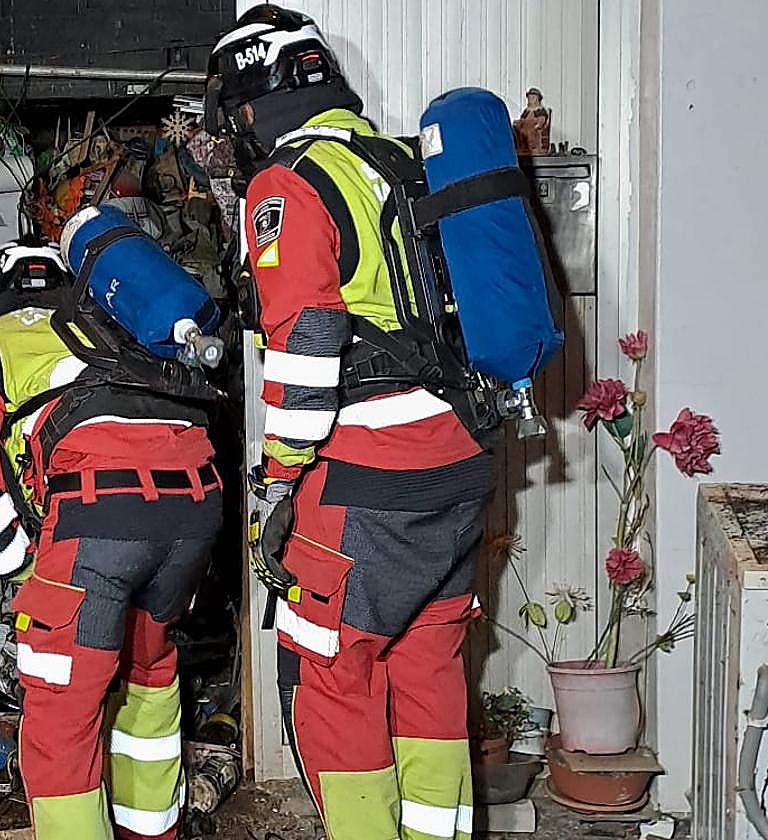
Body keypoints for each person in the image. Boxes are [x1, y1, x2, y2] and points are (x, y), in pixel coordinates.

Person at [207, 6, 494, 839]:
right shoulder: (405, 162)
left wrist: (279, 481)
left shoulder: (289, 182)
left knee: (330, 679)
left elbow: (307, 340)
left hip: (365, 483)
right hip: (460, 461)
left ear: (254, 102)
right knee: (429, 670)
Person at [0, 240, 223, 840]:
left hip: (100, 509)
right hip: (198, 498)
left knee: (61, 717)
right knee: (149, 670)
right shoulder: (111, 323)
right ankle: (152, 831)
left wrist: (26, 578)